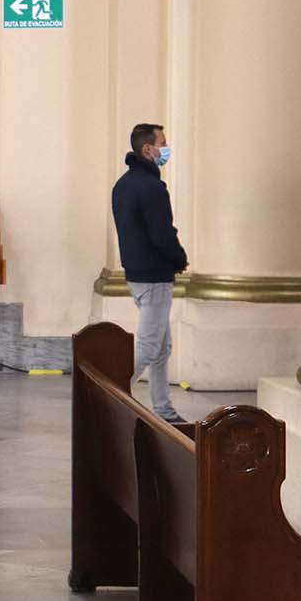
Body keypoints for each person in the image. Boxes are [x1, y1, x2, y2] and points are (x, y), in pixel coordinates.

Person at [111, 122, 189, 423]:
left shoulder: (123, 184)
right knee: (147, 346)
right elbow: (161, 234)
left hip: (136, 272)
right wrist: (179, 258)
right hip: (155, 274)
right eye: (163, 143)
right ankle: (110, 396)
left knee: (161, 346)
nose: (166, 149)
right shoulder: (152, 188)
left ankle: (164, 409)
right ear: (148, 149)